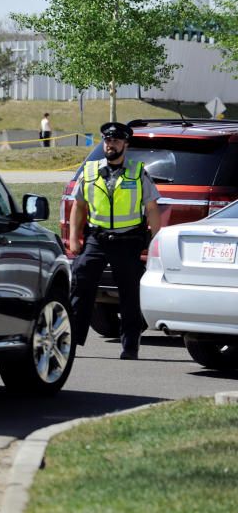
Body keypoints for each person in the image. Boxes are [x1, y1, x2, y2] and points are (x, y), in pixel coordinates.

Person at [69, 121, 162, 360]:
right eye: (108, 141)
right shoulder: (90, 172)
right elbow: (78, 207)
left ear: (126, 144)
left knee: (129, 294)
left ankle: (130, 346)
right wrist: (74, 239)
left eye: (116, 141)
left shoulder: (137, 172)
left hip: (127, 240)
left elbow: (151, 209)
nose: (110, 145)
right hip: (96, 239)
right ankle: (70, 343)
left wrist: (156, 241)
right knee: (80, 287)